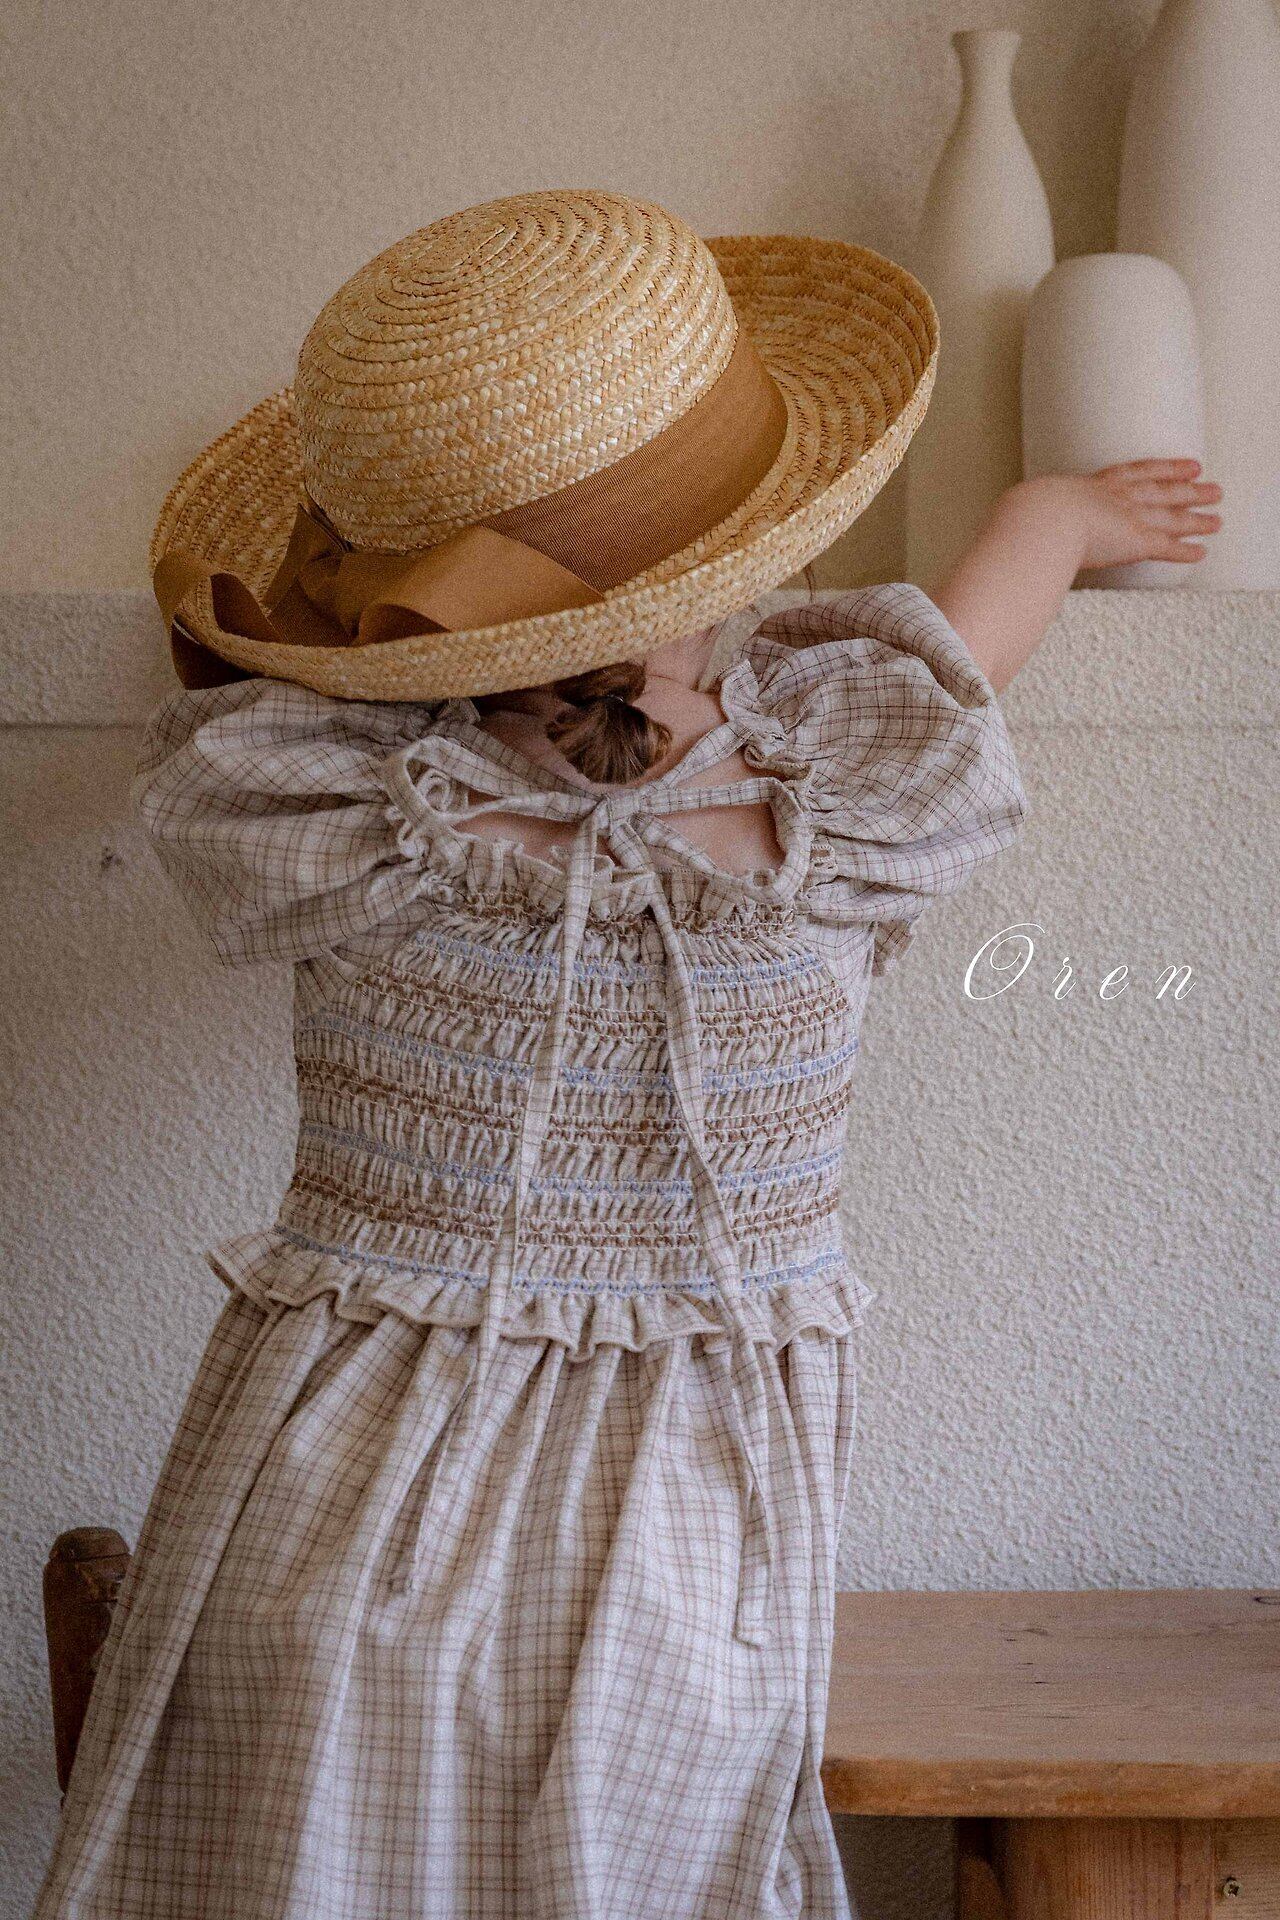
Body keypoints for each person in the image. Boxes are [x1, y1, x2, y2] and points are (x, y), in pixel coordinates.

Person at [32, 189, 1220, 1920]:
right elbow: (965, 660)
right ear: (747, 553)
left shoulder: (334, 800)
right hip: (682, 1530)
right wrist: (1055, 514)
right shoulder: (832, 798)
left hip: (328, 1510)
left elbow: (236, 688)